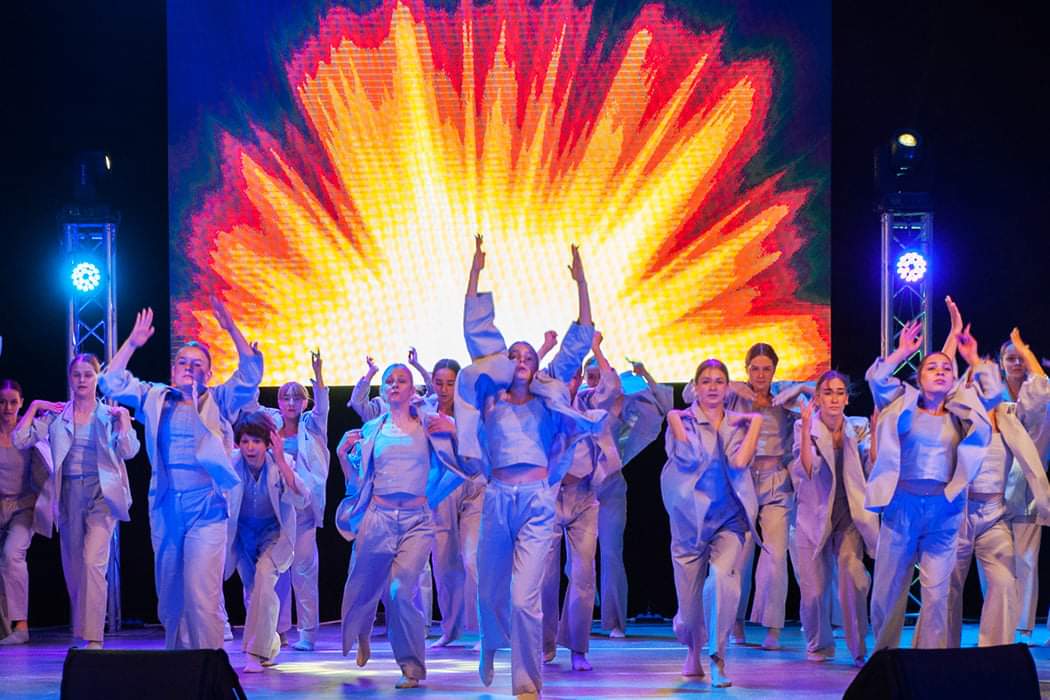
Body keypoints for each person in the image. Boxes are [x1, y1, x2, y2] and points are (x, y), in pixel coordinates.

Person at [455, 236, 605, 699]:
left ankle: (526, 681)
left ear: (538, 366)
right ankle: (489, 645)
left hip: (539, 503)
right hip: (499, 499)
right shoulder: (491, 398)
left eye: (528, 356)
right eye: (514, 356)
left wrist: (582, 281)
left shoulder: (550, 392)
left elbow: (580, 336)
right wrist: (475, 272)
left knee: (526, 598)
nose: (520, 360)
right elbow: (476, 332)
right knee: (489, 588)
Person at [98, 301, 263, 649]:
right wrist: (132, 343)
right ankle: (178, 663)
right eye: (184, 363)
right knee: (170, 597)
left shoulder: (220, 400)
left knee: (201, 594)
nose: (190, 368)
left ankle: (209, 665)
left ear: (209, 373)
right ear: (173, 370)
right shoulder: (156, 398)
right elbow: (111, 382)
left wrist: (231, 329)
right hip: (167, 506)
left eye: (198, 364)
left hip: (207, 507)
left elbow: (250, 375)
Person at [866, 320, 999, 650]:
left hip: (944, 509)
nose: (940, 372)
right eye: (932, 368)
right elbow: (876, 379)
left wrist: (974, 359)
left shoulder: (961, 411)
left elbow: (994, 394)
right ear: (919, 377)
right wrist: (902, 351)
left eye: (946, 368)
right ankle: (884, 658)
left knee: (938, 596)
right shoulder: (901, 402)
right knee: (888, 591)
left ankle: (929, 661)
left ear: (953, 379)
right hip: (903, 505)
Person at [337, 363, 467, 689]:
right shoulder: (373, 430)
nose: (395, 385)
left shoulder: (428, 424)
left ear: (412, 389)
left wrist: (455, 431)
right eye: (389, 381)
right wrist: (341, 456)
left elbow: (468, 460)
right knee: (364, 586)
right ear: (383, 390)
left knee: (399, 592)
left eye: (401, 380)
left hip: (416, 522)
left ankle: (411, 667)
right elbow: (358, 480)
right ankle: (363, 633)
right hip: (378, 519)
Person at [13, 355, 139, 649]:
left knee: (93, 561)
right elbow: (20, 439)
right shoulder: (58, 416)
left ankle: (94, 637)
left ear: (97, 379)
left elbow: (129, 451)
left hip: (102, 494)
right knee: (74, 568)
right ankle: (84, 630)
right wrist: (35, 406)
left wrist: (123, 422)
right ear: (70, 378)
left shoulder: (109, 415)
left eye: (88, 375)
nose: (82, 380)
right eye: (77, 375)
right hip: (68, 494)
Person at [694, 343, 809, 650]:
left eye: (766, 369)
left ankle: (773, 628)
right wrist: (734, 386)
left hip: (776, 482)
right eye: (755, 369)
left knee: (776, 556)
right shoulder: (735, 394)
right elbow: (693, 395)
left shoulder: (784, 395)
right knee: (739, 556)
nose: (760, 374)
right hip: (741, 481)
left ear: (774, 370)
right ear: (747, 370)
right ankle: (735, 622)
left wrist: (797, 388)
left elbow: (819, 392)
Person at [662, 358, 763, 687]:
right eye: (706, 381)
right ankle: (692, 647)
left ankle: (718, 658)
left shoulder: (738, 424)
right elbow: (688, 458)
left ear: (728, 387)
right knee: (690, 610)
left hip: (729, 520)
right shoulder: (682, 421)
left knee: (720, 579)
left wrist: (756, 422)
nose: (713, 387)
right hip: (689, 522)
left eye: (719, 381)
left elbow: (740, 462)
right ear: (695, 387)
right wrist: (674, 419)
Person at [541, 332, 620, 671]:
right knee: (544, 577)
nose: (572, 383)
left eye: (576, 376)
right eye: (566, 376)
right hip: (548, 499)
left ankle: (578, 648)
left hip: (584, 498)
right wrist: (545, 348)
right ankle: (544, 645)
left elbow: (613, 387)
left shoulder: (589, 403)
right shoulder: (542, 408)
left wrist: (597, 349)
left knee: (583, 574)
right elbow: (520, 378)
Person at [790, 371, 879, 666]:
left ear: (847, 398)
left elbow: (872, 468)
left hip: (848, 515)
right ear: (817, 398)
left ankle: (858, 648)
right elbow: (807, 469)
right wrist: (806, 430)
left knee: (853, 576)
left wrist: (876, 435)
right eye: (828, 392)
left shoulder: (858, 427)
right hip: (813, 515)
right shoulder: (803, 426)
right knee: (815, 591)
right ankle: (819, 644)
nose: (834, 399)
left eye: (840, 392)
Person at [255, 351, 329, 652]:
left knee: (304, 570)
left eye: (297, 397)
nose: (290, 402)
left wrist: (318, 375)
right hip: (276, 509)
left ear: (304, 402)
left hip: (305, 509)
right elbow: (249, 403)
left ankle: (308, 633)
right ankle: (278, 630)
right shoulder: (269, 425)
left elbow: (323, 405)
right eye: (285, 397)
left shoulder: (313, 426)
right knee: (277, 572)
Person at [225, 411, 307, 672]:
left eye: (257, 441)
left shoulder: (281, 462)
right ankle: (270, 645)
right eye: (245, 441)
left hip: (274, 536)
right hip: (243, 537)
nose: (250, 447)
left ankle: (253, 653)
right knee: (256, 593)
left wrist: (281, 461)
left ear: (268, 443)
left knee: (263, 577)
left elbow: (302, 498)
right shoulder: (230, 463)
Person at [424, 357, 487, 649]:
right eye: (439, 383)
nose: (444, 389)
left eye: (450, 383)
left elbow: (486, 446)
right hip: (441, 489)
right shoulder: (425, 411)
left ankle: (488, 630)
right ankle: (450, 629)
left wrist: (455, 429)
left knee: (473, 558)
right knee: (444, 562)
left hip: (474, 485)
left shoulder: (472, 410)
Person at [995, 329, 1050, 643]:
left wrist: (1023, 349)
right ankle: (999, 619)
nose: (1016, 363)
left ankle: (1023, 628)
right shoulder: (993, 395)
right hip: (993, 489)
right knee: (996, 560)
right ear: (1001, 363)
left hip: (1028, 489)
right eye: (1010, 358)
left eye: (1020, 358)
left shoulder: (1037, 395)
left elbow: (1042, 382)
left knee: (1026, 560)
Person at [0, 379, 51, 645]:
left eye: (13, 402)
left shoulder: (28, 433)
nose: (7, 408)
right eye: (2, 402)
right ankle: (4, 629)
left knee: (12, 555)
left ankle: (21, 626)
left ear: (21, 403)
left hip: (24, 507)